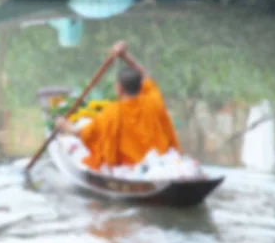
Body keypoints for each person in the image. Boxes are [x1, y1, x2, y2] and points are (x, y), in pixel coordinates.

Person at [55, 41, 181, 171]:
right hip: (161, 163)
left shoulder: (111, 112)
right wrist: (126, 56)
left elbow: (84, 134)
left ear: (119, 89)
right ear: (140, 85)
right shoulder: (154, 100)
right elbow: (144, 75)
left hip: (129, 169)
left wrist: (65, 126)